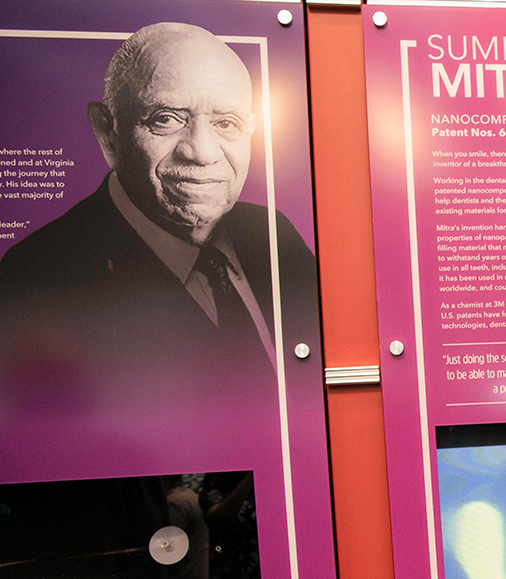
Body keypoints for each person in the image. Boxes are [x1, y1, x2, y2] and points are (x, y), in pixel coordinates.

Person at [0, 21, 318, 426]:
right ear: (108, 132)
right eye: (166, 119)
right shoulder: (39, 275)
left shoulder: (274, 232)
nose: (202, 152)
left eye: (226, 123)